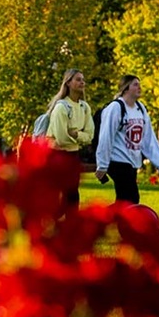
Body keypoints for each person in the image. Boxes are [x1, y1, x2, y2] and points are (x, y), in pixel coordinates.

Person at [94, 75, 159, 205]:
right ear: (125, 88)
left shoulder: (140, 108)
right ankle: (100, 219)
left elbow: (148, 137)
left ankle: (99, 219)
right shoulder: (115, 108)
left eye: (139, 84)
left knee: (126, 200)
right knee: (130, 198)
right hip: (117, 161)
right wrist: (103, 164)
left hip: (132, 162)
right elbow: (106, 136)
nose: (139, 87)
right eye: (135, 84)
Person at [44, 68, 94, 210]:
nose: (82, 82)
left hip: (73, 155)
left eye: (83, 80)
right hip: (58, 155)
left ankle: (71, 223)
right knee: (59, 194)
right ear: (68, 83)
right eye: (78, 79)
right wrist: (78, 136)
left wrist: (76, 135)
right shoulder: (61, 108)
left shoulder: (84, 107)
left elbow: (89, 135)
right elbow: (61, 138)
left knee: (72, 194)